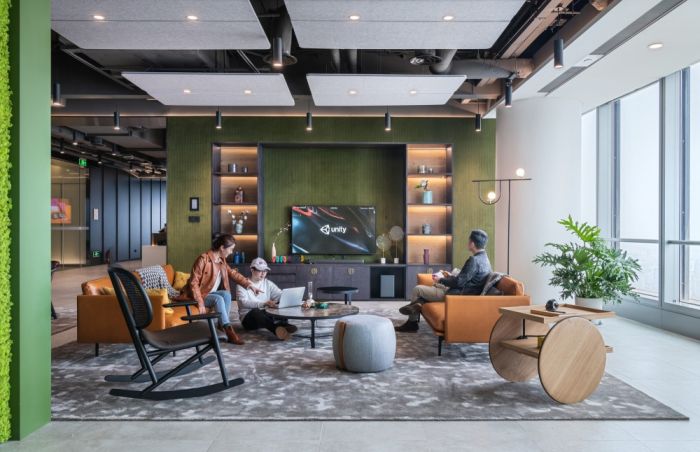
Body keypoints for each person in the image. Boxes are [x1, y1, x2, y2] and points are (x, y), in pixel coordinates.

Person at [395, 229, 492, 332]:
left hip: (457, 295)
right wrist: (450, 276)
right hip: (464, 292)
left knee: (417, 289)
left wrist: (441, 279)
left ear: (472, 243)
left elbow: (459, 282)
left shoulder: (474, 260)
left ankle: (412, 323)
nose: (467, 243)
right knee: (434, 287)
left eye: (469, 240)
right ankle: (417, 304)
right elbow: (467, 278)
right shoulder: (485, 259)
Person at [181, 234, 262, 345]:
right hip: (197, 294)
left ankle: (221, 326)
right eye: (231, 249)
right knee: (218, 299)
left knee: (226, 294)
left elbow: (233, 274)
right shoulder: (203, 259)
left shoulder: (221, 260)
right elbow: (193, 282)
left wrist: (250, 285)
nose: (231, 252)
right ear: (222, 248)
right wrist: (200, 302)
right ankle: (229, 330)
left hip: (209, 293)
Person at [236, 257, 298, 340]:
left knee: (279, 306)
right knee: (256, 311)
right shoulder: (242, 284)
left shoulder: (267, 283)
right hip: (248, 319)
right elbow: (243, 303)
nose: (263, 273)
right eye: (260, 270)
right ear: (252, 270)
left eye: (265, 271)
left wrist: (291, 298)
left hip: (265, 314)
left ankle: (283, 326)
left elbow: (279, 294)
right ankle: (276, 329)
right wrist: (263, 304)